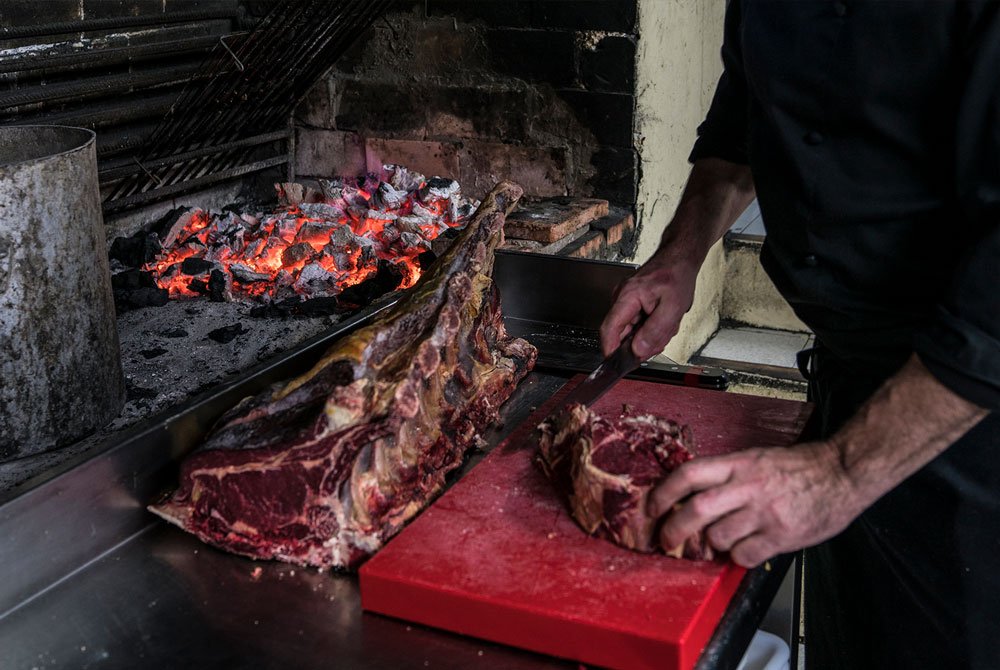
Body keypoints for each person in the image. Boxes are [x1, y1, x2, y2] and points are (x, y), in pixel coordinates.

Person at [598, 2, 999, 668]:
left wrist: (840, 473)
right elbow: (743, 117)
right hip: (850, 378)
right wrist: (681, 250)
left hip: (971, 416)